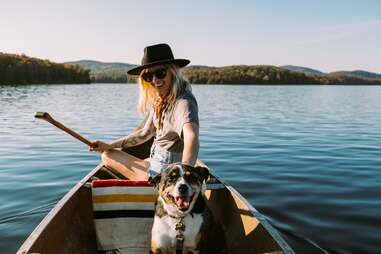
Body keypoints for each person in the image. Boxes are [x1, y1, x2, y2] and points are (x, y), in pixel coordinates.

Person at [90, 43, 199, 180]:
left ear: (173, 71)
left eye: (160, 73)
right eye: (148, 76)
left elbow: (191, 137)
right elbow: (143, 134)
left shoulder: (183, 102)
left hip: (167, 176)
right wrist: (110, 145)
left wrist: (184, 177)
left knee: (107, 156)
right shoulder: (161, 100)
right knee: (111, 150)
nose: (154, 80)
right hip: (157, 163)